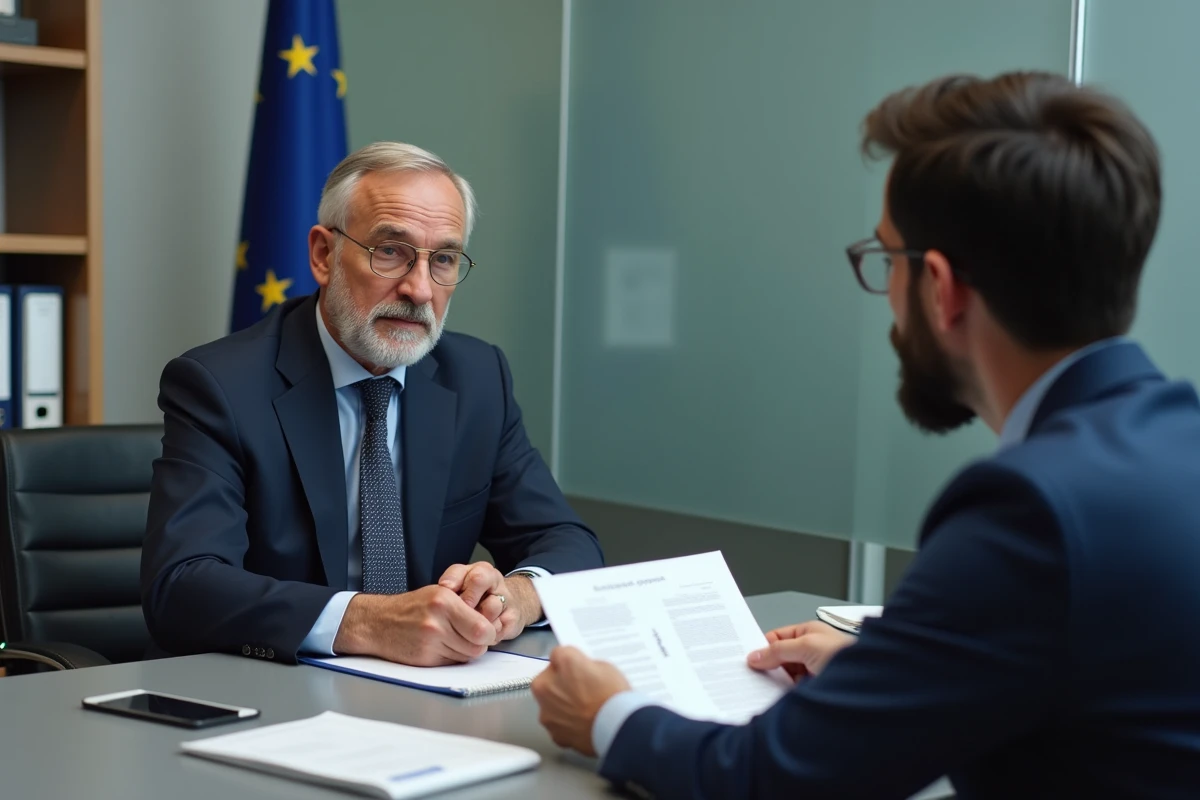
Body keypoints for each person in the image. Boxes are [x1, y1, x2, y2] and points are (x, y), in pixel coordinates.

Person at [531, 71, 1200, 797]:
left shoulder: (1031, 511)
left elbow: (770, 779)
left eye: (886, 260)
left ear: (940, 288)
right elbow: (1070, 664)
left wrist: (607, 715)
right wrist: (881, 664)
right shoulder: (1176, 444)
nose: (885, 298)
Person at [142, 142, 603, 666]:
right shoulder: (220, 385)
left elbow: (566, 540)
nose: (420, 289)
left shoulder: (477, 378)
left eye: (444, 260)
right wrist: (370, 622)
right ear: (323, 255)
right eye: (390, 251)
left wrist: (516, 597)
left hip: (428, 697)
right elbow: (181, 587)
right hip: (271, 692)